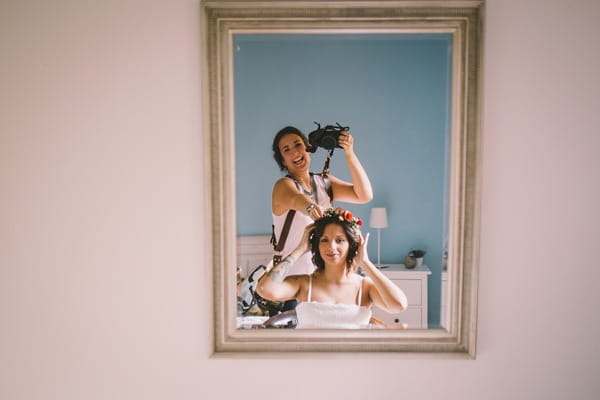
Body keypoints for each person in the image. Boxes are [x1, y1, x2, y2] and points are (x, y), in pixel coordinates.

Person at [256, 208, 408, 329]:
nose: (331, 247)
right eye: (324, 240)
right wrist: (300, 249)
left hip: (353, 364)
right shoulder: (303, 284)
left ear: (352, 245)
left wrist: (366, 263)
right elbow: (264, 289)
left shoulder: (365, 287)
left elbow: (398, 305)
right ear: (316, 245)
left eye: (340, 240)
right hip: (309, 364)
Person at [271, 126, 373, 277]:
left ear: (309, 148)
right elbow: (296, 198)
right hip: (292, 280)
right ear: (283, 161)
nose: (295, 152)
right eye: (286, 150)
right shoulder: (283, 186)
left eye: (298, 144)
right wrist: (310, 207)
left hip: (324, 281)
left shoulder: (324, 183)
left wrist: (349, 154)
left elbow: (364, 195)